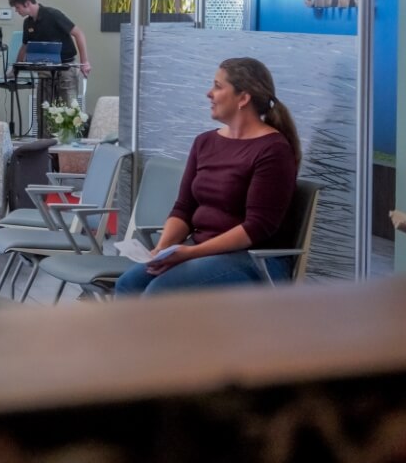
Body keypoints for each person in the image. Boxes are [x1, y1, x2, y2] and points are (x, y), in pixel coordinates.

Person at [115, 58, 301, 296]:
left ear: (243, 98)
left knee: (160, 292)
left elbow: (257, 228)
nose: (208, 93)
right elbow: (183, 208)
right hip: (202, 251)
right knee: (128, 284)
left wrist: (191, 253)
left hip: (254, 260)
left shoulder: (273, 150)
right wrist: (163, 248)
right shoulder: (205, 142)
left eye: (217, 86)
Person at [8, 0, 90, 107]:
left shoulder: (53, 15)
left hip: (65, 68)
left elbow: (79, 34)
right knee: (44, 110)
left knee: (69, 109)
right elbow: (25, 47)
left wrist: (85, 62)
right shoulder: (28, 23)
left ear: (27, 3)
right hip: (45, 72)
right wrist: (15, 69)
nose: (16, 11)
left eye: (17, 7)